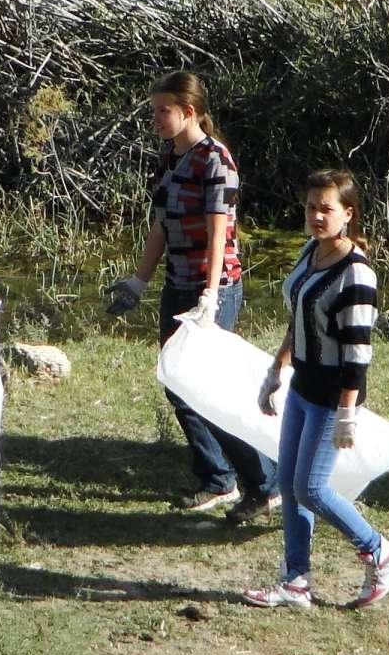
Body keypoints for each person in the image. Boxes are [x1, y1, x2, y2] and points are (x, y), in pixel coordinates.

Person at [107, 72, 278, 522]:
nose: (155, 119)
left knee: (209, 391)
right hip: (176, 283)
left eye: (163, 110)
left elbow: (219, 232)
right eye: (153, 110)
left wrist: (209, 296)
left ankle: (263, 483)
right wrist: (138, 281)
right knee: (177, 383)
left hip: (212, 290)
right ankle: (219, 478)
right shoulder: (170, 156)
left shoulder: (216, 161)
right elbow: (161, 224)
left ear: (189, 111)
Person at [243, 169, 389, 610]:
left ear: (347, 214)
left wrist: (347, 414)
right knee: (290, 483)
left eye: (326, 209)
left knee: (311, 488)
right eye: (311, 206)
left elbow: (357, 354)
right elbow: (298, 317)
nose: (316, 216)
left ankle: (380, 551)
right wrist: (276, 368)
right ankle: (295, 582)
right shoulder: (309, 253)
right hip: (302, 387)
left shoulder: (356, 276)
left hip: (334, 397)